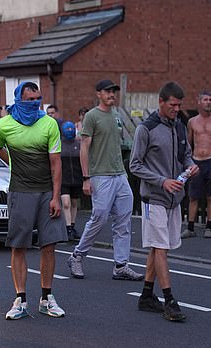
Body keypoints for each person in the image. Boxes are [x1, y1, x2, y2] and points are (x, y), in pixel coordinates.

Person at [0, 82, 67, 320]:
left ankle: (46, 298)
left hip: (46, 192)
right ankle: (20, 300)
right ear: (18, 100)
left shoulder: (49, 123)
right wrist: (14, 162)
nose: (35, 103)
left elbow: (56, 162)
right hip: (20, 191)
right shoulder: (3, 125)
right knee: (19, 245)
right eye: (30, 99)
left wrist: (56, 197)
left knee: (49, 245)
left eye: (38, 98)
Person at [129, 81, 199, 322]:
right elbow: (135, 165)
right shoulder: (146, 129)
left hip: (173, 198)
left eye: (179, 105)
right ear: (161, 102)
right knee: (161, 249)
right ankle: (170, 300)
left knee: (159, 247)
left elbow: (186, 154)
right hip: (153, 197)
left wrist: (190, 167)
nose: (177, 109)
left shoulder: (179, 127)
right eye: (172, 105)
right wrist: (162, 181)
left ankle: (146, 296)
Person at [66, 79, 143, 281]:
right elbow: (84, 147)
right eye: (108, 91)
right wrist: (86, 178)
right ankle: (77, 256)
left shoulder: (116, 116)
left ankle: (121, 265)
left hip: (120, 174)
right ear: (98, 93)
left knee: (123, 221)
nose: (112, 94)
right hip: (100, 175)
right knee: (99, 217)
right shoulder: (92, 116)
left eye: (113, 91)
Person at [181, 90, 211, 239]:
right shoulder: (192, 122)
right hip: (196, 161)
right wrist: (187, 163)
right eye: (206, 100)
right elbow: (188, 143)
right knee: (193, 196)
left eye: (210, 100)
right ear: (199, 102)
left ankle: (209, 226)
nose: (208, 102)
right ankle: (190, 227)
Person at [60, 120, 82, 241]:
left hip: (77, 178)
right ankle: (67, 228)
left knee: (74, 204)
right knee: (66, 203)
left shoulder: (78, 144)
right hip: (64, 179)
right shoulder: (59, 144)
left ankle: (72, 226)